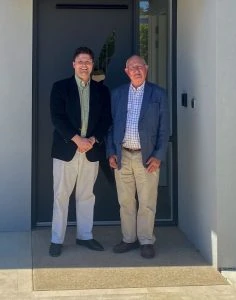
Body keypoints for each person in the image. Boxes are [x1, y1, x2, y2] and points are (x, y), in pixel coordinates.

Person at [49, 46, 111, 257]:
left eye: (88, 62)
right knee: (61, 195)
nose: (84, 65)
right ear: (73, 64)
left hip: (91, 151)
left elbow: (106, 120)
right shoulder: (60, 87)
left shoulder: (102, 90)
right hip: (66, 149)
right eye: (81, 61)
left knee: (86, 195)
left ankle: (85, 236)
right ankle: (56, 239)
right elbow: (57, 117)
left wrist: (93, 140)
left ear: (92, 65)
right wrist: (77, 139)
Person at [107, 55, 170, 258]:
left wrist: (159, 155)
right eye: (132, 67)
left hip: (147, 157)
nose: (136, 70)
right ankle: (129, 239)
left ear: (147, 68)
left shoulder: (158, 94)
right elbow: (110, 127)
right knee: (125, 201)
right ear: (126, 71)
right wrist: (111, 152)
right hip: (122, 155)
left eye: (140, 66)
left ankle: (146, 240)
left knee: (147, 201)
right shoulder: (117, 94)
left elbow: (164, 129)